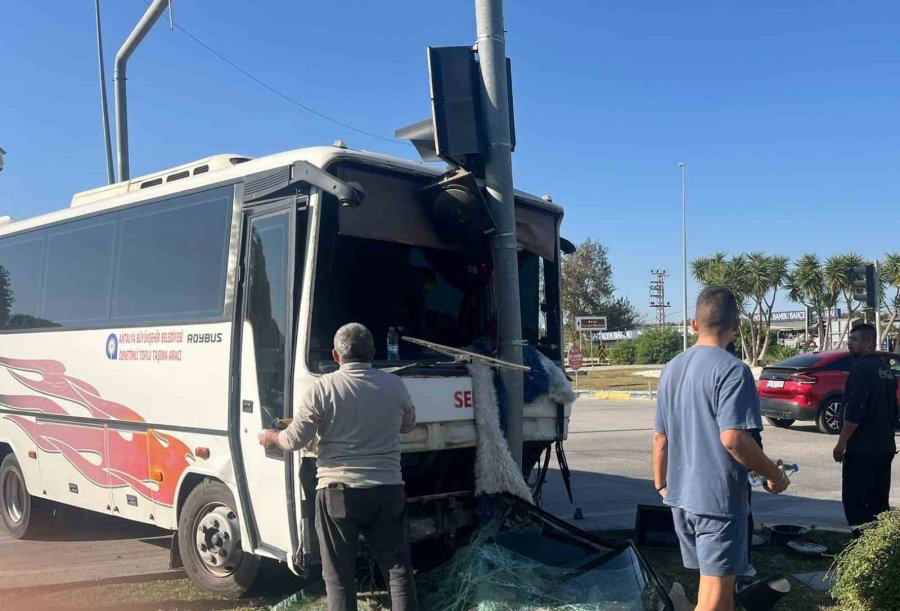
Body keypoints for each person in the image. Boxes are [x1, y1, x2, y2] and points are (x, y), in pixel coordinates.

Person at [259, 323, 418, 611]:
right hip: (387, 490)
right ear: (372, 352)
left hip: (337, 494)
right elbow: (408, 424)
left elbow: (294, 440)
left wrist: (271, 438)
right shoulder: (394, 385)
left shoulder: (322, 389)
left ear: (335, 355)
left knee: (339, 577)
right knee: (398, 570)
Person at [653, 287, 790, 611]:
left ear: (693, 324)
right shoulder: (733, 370)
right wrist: (775, 476)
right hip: (717, 503)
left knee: (718, 590)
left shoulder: (671, 368)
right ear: (737, 325)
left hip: (681, 500)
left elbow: (660, 438)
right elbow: (734, 439)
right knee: (713, 603)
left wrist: (661, 485)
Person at [832, 323, 897, 537]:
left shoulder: (861, 368)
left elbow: (855, 409)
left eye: (855, 339)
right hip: (884, 446)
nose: (850, 343)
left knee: (855, 502)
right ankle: (881, 547)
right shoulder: (885, 369)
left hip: (863, 448)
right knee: (878, 502)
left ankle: (862, 546)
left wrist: (842, 443)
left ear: (868, 342)